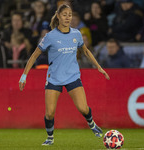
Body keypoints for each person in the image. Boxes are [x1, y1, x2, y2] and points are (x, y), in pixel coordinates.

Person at [19, 4, 110, 146]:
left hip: (73, 76)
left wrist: (99, 67)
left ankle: (91, 124)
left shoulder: (76, 34)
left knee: (83, 109)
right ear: (59, 17)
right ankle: (50, 138)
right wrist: (24, 75)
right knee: (49, 113)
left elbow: (86, 51)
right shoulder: (50, 36)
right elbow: (34, 55)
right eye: (65, 15)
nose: (68, 18)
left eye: (70, 15)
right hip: (54, 78)